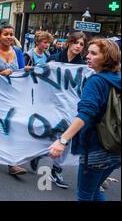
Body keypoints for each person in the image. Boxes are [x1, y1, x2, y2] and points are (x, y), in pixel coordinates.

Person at [49, 38, 121, 201]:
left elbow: (85, 114)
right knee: (95, 192)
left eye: (93, 53)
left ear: (107, 58)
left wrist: (62, 140)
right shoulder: (117, 77)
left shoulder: (96, 81)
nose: (87, 56)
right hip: (116, 147)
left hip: (97, 147)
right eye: (88, 52)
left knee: (85, 195)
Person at [29, 31, 87, 188]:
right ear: (69, 42)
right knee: (47, 131)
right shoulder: (54, 59)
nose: (78, 46)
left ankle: (56, 169)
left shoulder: (82, 66)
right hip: (51, 103)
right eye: (76, 42)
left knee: (67, 137)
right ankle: (38, 154)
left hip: (70, 105)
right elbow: (43, 79)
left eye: (81, 44)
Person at [0, 25, 27, 176]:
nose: (9, 37)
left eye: (11, 34)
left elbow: (22, 72)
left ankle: (12, 163)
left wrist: (15, 72)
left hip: (13, 96)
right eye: (6, 34)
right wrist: (1, 73)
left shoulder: (17, 52)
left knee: (11, 127)